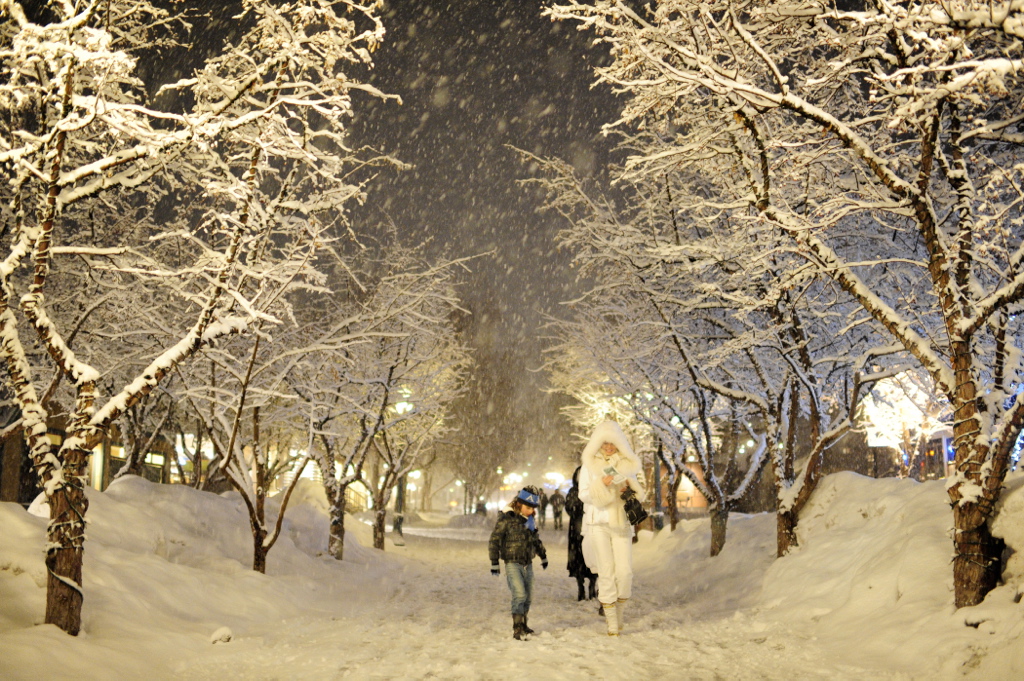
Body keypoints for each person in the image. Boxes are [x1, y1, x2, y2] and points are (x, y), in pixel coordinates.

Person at [578, 420, 645, 636]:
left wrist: (627, 487)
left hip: (621, 523)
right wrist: (602, 485)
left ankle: (621, 612)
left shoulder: (627, 465)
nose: (608, 447)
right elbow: (583, 495)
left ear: (620, 444)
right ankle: (611, 623)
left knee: (624, 572)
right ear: (597, 444)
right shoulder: (589, 465)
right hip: (598, 523)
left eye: (612, 443)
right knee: (606, 572)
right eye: (604, 443)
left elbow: (636, 497)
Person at [488, 486, 549, 640]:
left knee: (528, 597)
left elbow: (535, 539)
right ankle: (517, 627)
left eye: (533, 508)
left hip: (527, 562)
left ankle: (524, 624)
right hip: (512, 562)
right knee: (519, 595)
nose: (531, 511)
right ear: (519, 503)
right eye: (528, 507)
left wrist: (543, 555)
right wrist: (494, 562)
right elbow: (495, 540)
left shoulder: (530, 521)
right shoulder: (507, 518)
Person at [565, 466, 597, 602]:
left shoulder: (594, 489)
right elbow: (569, 508)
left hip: (592, 528)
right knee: (579, 559)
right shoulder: (573, 491)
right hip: (576, 532)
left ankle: (592, 586)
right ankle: (581, 588)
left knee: (594, 558)